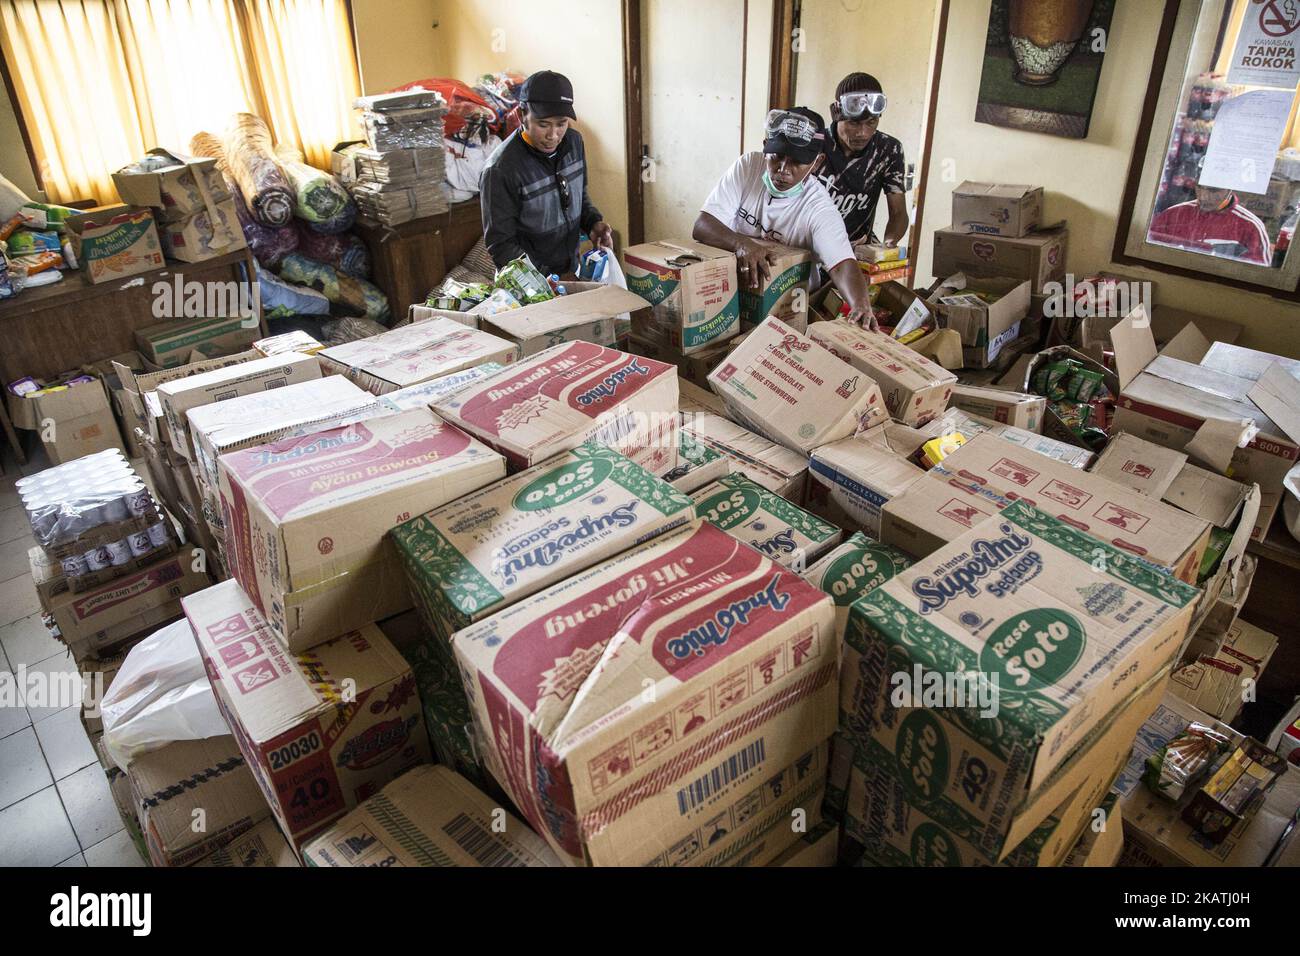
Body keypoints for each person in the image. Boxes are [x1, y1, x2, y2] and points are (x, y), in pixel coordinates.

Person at [693, 106, 875, 327]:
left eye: (797, 161)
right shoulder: (749, 166)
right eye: (777, 156)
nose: (783, 169)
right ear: (765, 148)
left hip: (790, 311)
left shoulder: (818, 208)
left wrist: (860, 304)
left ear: (816, 163)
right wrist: (742, 244)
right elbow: (703, 225)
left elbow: (841, 263)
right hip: (735, 298)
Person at [480, 70, 614, 277]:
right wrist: (548, 280)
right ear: (522, 114)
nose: (553, 135)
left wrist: (593, 223)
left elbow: (578, 196)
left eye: (561, 124)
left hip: (571, 268)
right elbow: (501, 245)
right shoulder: (501, 169)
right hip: (528, 283)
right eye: (543, 124)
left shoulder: (574, 143)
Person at [818, 72, 909, 247]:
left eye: (871, 122)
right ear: (836, 114)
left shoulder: (888, 150)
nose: (863, 133)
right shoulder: (815, 145)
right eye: (853, 123)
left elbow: (898, 212)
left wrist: (887, 245)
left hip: (860, 248)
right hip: (811, 247)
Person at [1148, 172, 1271, 266]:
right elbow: (1149, 254)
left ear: (1230, 189)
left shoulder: (1250, 226)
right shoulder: (1173, 214)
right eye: (1199, 187)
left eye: (1213, 190)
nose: (1203, 196)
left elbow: (1256, 274)